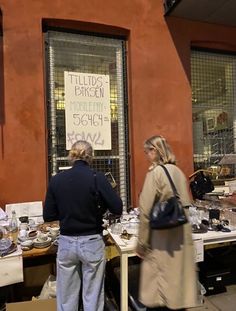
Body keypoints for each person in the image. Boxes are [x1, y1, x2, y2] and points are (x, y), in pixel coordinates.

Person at [43, 140, 123, 311]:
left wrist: (66, 211)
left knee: (66, 298)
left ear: (71, 156)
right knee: (92, 296)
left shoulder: (57, 180)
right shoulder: (97, 178)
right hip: (92, 241)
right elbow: (117, 207)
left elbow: (48, 215)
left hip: (66, 242)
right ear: (90, 157)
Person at [136, 135, 198, 311]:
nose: (146, 155)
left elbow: (145, 210)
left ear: (154, 151)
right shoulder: (178, 172)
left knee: (159, 291)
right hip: (181, 236)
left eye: (146, 152)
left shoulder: (156, 172)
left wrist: (142, 243)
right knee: (178, 288)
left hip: (162, 239)